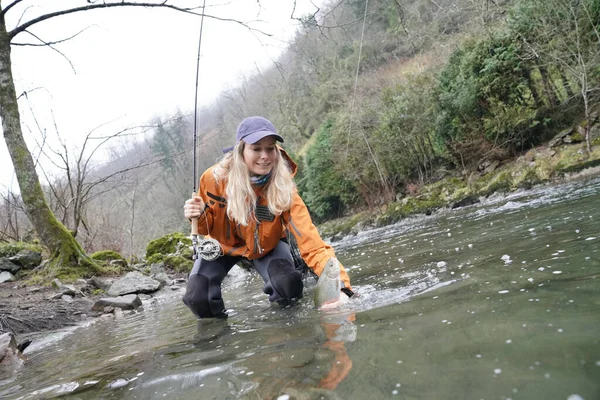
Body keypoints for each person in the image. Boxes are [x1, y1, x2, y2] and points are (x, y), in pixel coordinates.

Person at [182, 116, 353, 319]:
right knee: (197, 297)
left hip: (266, 247)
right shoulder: (212, 179)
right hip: (221, 246)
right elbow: (204, 230)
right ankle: (220, 339)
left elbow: (313, 244)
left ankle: (288, 330)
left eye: (270, 148)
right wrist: (199, 215)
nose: (265, 156)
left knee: (288, 285)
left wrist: (341, 288)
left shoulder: (284, 187)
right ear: (241, 151)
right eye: (256, 148)